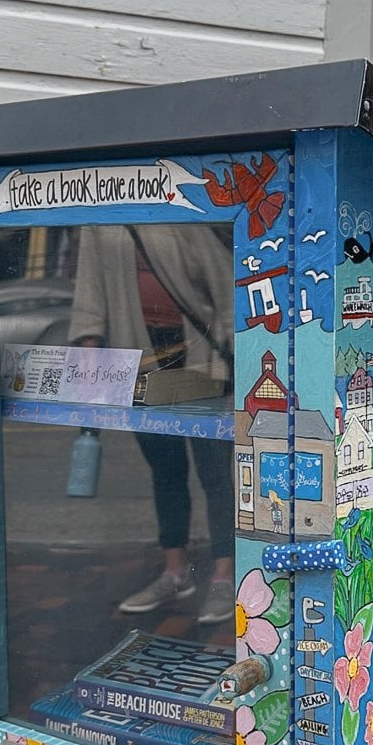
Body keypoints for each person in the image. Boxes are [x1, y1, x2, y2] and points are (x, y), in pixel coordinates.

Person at [68, 224, 235, 623]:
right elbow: (89, 296)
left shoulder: (180, 215)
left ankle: (224, 577)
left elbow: (225, 286)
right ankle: (176, 572)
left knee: (215, 475)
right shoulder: (99, 222)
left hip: (200, 360)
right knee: (165, 472)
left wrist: (237, 349)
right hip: (138, 365)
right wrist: (90, 361)